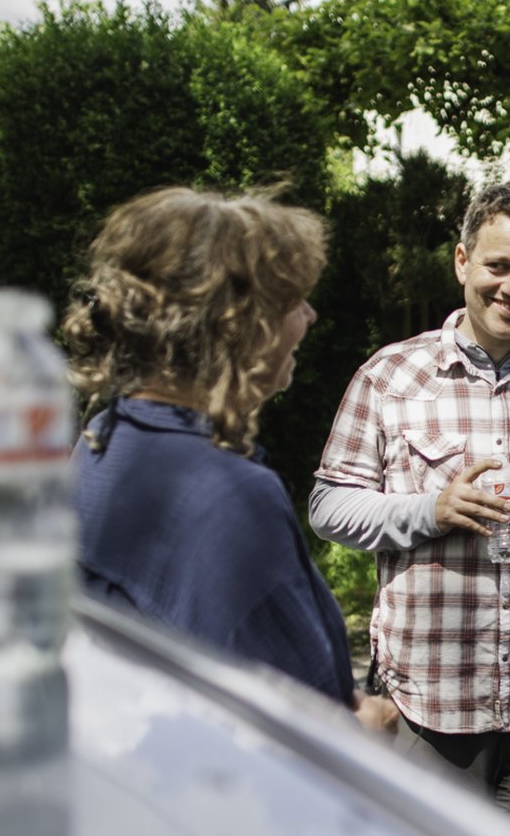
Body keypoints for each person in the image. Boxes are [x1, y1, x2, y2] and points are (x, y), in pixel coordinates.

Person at [308, 181, 510, 836]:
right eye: (498, 266)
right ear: (462, 263)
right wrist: (431, 509)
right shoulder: (390, 377)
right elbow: (329, 506)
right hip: (430, 696)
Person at [64, 187, 396, 734]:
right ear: (236, 323)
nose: (310, 316)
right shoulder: (229, 496)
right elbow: (301, 742)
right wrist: (368, 724)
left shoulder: (102, 436)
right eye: (293, 301)